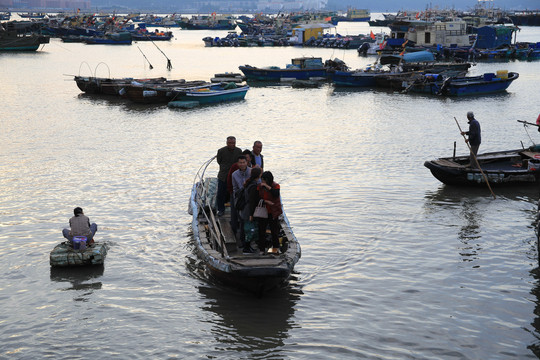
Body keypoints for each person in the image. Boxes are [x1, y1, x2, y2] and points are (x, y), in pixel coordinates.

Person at [256, 171, 282, 253]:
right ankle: (262, 249)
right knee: (261, 230)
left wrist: (267, 186)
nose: (262, 182)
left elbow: (276, 194)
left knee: (274, 231)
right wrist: (266, 201)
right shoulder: (259, 187)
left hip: (273, 211)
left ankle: (276, 248)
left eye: (263, 180)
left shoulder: (276, 186)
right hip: (263, 211)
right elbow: (257, 198)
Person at [216, 136, 242, 216]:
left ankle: (236, 209)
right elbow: (219, 161)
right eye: (230, 143)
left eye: (233, 143)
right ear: (227, 143)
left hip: (234, 176)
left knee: (234, 193)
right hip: (223, 175)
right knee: (221, 193)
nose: (231, 145)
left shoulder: (238, 151)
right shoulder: (221, 151)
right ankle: (220, 209)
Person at [240, 167, 262, 254]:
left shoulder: (249, 183)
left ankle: (248, 247)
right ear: (259, 175)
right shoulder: (253, 186)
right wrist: (251, 214)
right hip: (249, 210)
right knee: (249, 229)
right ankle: (246, 248)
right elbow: (252, 201)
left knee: (249, 229)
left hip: (247, 209)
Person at [231, 155, 252, 242]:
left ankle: (250, 240)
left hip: (250, 200)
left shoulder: (251, 172)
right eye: (240, 162)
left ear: (247, 163)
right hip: (241, 200)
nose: (242, 164)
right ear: (237, 163)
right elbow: (234, 189)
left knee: (250, 221)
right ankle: (243, 241)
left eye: (244, 162)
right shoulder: (234, 174)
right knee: (242, 220)